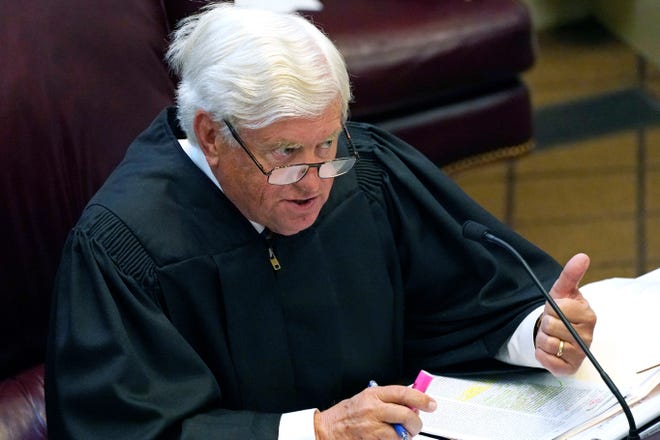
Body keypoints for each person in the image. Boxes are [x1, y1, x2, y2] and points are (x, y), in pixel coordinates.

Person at [45, 3, 596, 439]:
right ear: (212, 136)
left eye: (328, 144)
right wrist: (314, 432)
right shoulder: (124, 248)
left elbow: (453, 300)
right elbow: (131, 429)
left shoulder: (364, 173)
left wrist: (534, 334)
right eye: (285, 154)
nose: (314, 183)